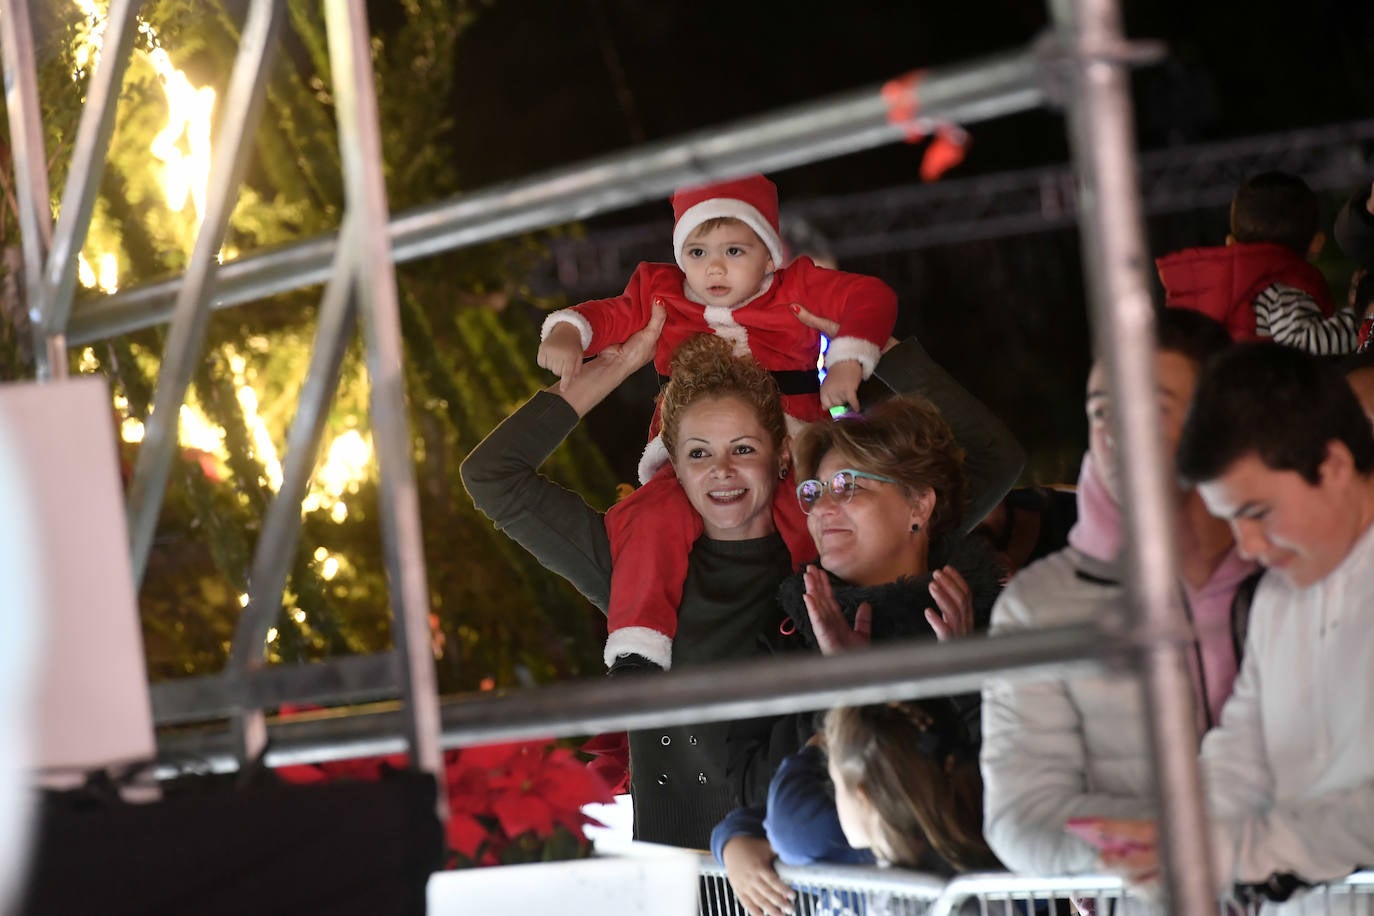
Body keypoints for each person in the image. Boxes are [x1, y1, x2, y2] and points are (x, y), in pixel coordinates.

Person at [463, 305, 1022, 851]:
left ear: (782, 454)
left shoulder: (837, 540)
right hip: (702, 868)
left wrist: (870, 339)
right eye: (698, 453)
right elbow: (492, 476)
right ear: (673, 464)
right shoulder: (636, 566)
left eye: (744, 448)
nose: (721, 471)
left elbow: (996, 459)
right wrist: (611, 368)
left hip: (837, 844)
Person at [712, 313, 1019, 915]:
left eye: (849, 486)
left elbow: (1005, 794)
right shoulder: (785, 633)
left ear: (919, 505)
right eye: (815, 492)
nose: (823, 508)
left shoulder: (992, 622)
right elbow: (761, 794)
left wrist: (959, 681)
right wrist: (733, 839)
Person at [536, 173, 898, 672]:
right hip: (693, 455)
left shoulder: (798, 287)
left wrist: (847, 361)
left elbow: (871, 297)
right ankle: (639, 649)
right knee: (650, 515)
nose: (714, 268)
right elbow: (609, 315)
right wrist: (567, 331)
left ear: (769, 255)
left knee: (812, 516)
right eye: (698, 252)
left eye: (734, 251)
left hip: (792, 445)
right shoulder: (661, 292)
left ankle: (824, 628)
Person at [1087, 342, 1374, 913]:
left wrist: (1235, 850)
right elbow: (1242, 752)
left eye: (1258, 514)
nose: (1248, 547)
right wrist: (1180, 836)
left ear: (1334, 466)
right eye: (1231, 521)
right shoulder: (1275, 598)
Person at [979, 308, 1260, 880]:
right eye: (1102, 411)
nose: (1116, 434)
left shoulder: (1295, 568)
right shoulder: (1038, 607)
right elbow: (1023, 817)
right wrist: (1195, 843)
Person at [1156, 171, 1360, 354]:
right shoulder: (1282, 291)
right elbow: (1304, 344)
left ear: (1231, 243)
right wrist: (1365, 318)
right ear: (1317, 244)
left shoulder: (1206, 300)